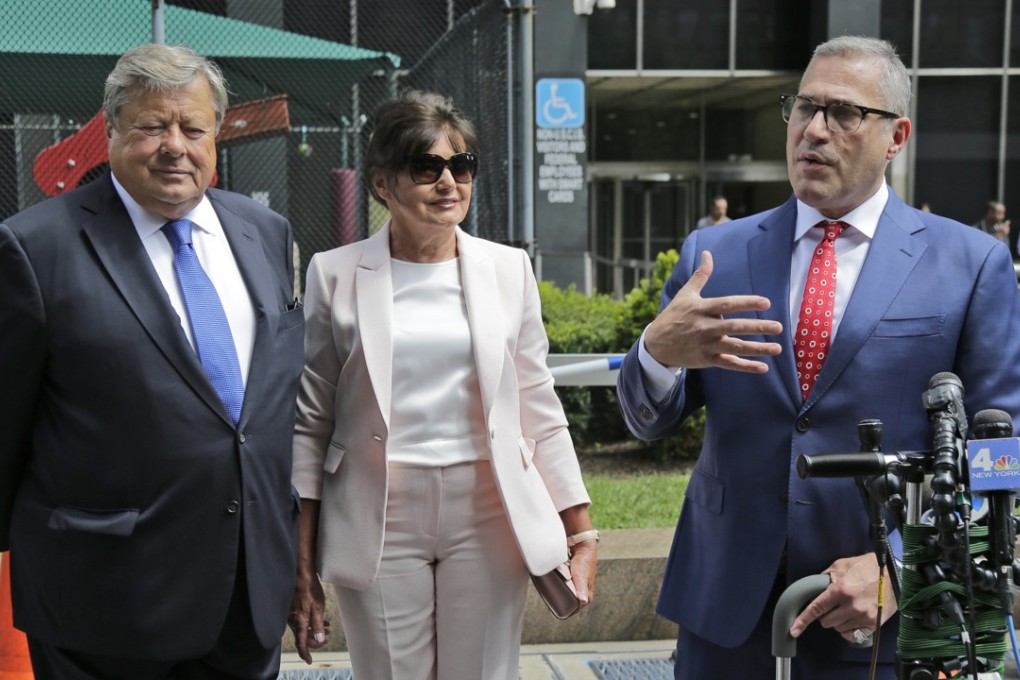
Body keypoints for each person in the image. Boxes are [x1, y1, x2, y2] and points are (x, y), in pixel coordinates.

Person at [616, 36, 1020, 679]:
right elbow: (647, 420)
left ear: (898, 135)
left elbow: (1001, 457)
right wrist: (655, 355)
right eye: (804, 107)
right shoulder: (714, 256)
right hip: (728, 612)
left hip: (893, 619)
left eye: (845, 112)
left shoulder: (970, 266)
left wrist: (899, 565)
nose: (815, 130)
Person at [0, 44, 305, 679]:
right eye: (151, 126)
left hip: (246, 596)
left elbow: (266, 417)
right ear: (110, 131)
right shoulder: (34, 248)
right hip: (104, 601)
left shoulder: (264, 232)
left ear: (217, 135)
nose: (176, 146)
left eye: (193, 128)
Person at [288, 90, 597, 680]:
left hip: (486, 506)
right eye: (426, 168)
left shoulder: (508, 270)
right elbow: (311, 422)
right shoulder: (334, 273)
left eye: (461, 166)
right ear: (383, 183)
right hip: (376, 511)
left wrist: (580, 526)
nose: (448, 182)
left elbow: (537, 402)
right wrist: (300, 561)